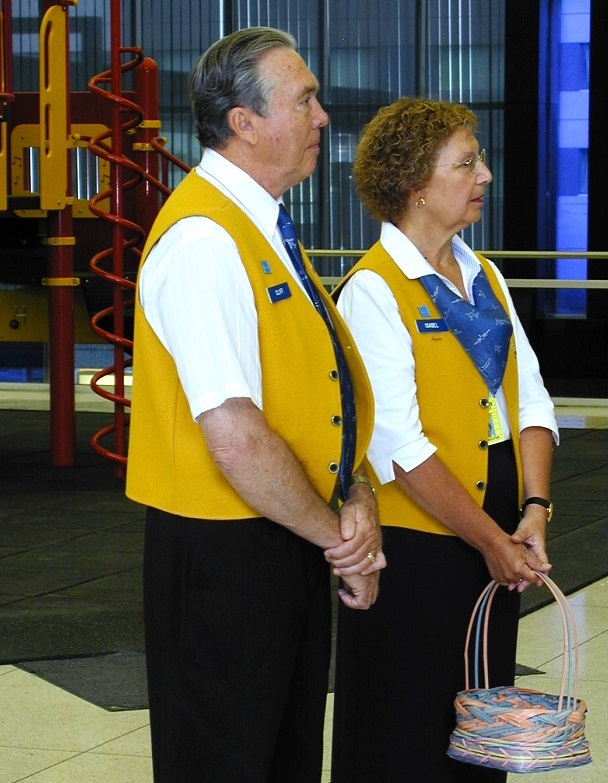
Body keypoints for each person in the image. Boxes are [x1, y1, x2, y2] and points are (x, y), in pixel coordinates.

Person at [125, 27, 385, 783]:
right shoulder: (206, 238)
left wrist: (354, 492)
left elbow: (320, 386)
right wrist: (339, 536)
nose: (322, 116)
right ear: (243, 122)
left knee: (282, 752)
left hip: (285, 527)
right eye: (304, 98)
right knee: (225, 757)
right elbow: (234, 436)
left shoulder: (265, 229)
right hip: (226, 550)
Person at [331, 97, 559, 783]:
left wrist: (534, 509)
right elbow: (398, 447)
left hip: (494, 537)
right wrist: (492, 541)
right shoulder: (372, 290)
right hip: (417, 550)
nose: (484, 174)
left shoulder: (482, 276)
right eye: (465, 163)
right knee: (406, 731)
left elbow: (532, 400)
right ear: (415, 187)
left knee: (478, 730)